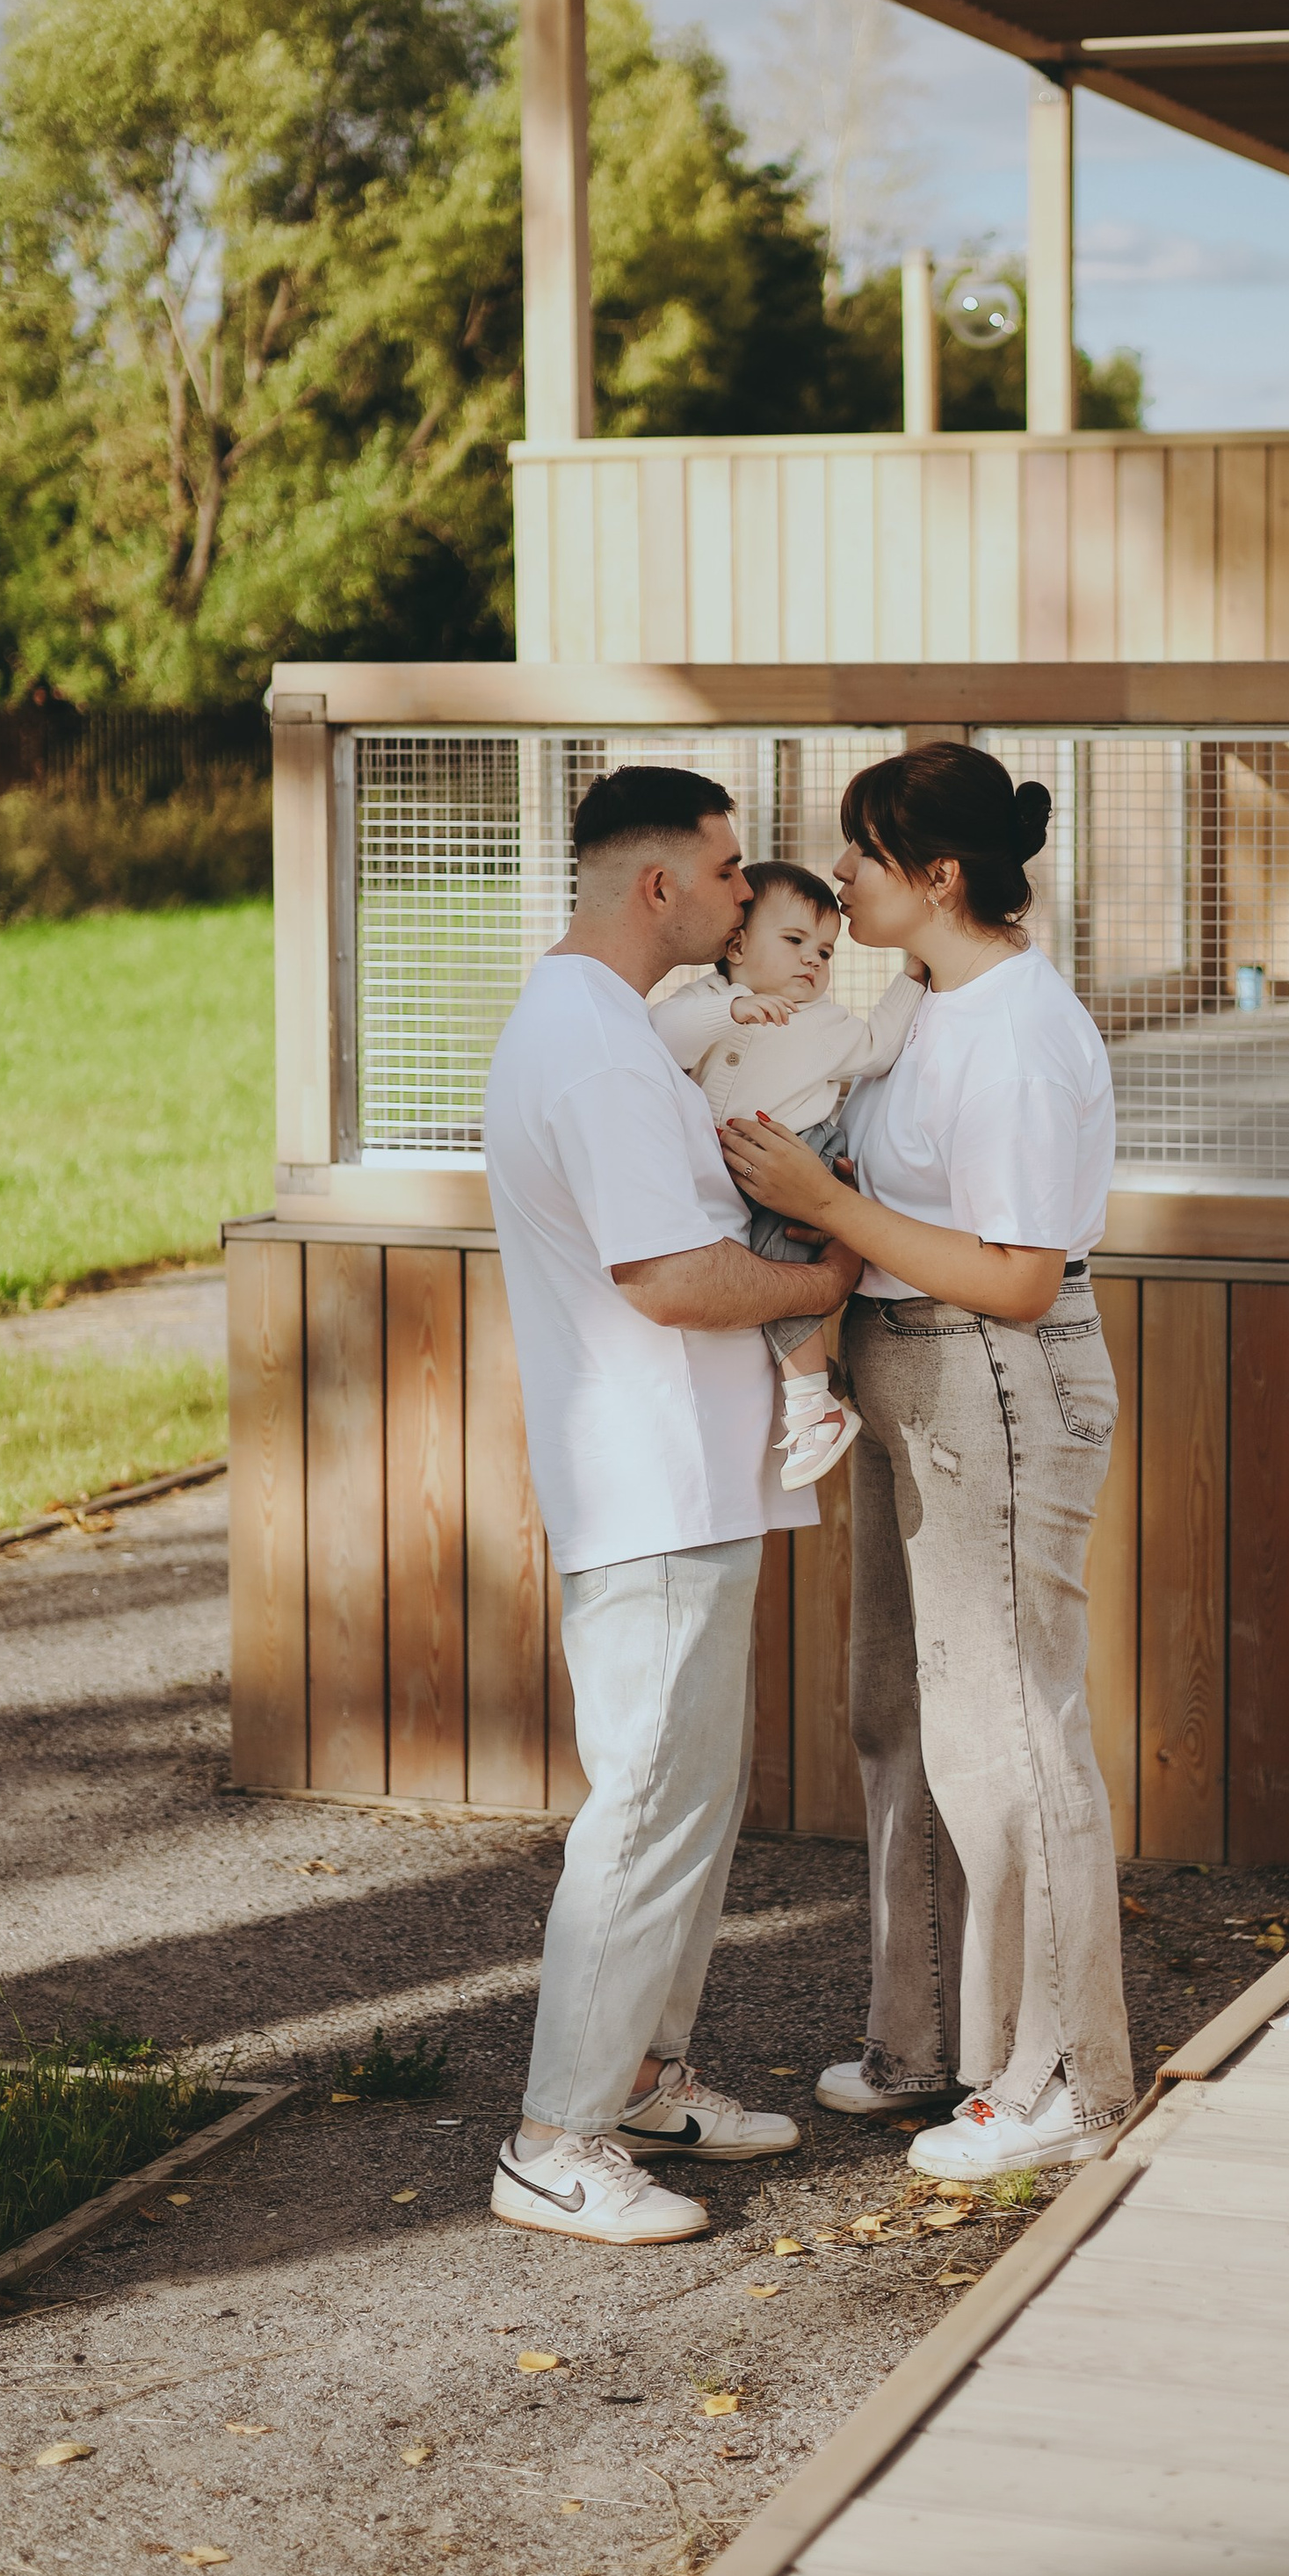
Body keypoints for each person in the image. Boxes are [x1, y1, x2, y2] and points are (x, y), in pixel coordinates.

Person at [717, 742, 1131, 2184]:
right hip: (909, 1367)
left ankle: (1069, 2079)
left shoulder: (1016, 1031)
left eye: (864, 854)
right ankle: (932, 2045)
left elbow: (1020, 1275)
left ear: (939, 875)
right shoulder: (927, 1001)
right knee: (900, 1714)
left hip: (991, 1373)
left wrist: (829, 1205)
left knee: (1008, 1726)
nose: (837, 876)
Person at [481, 765, 860, 2247]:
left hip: (690, 1479)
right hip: (648, 1485)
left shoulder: (618, 1030)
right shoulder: (593, 1050)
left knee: (689, 1803)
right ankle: (554, 2141)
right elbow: (673, 1277)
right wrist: (832, 1265)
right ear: (659, 887)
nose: (744, 892)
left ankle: (640, 2081)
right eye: (725, 871)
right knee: (645, 1807)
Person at [652, 858, 924, 1489]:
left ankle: (812, 1408)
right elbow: (663, 1035)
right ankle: (810, 1375)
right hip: (734, 1173)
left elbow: (880, 1046)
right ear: (737, 946)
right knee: (738, 1275)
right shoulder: (706, 1002)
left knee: (777, 1266)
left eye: (824, 952)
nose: (812, 961)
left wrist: (911, 978)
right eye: (795, 940)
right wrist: (736, 1010)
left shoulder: (822, 1022)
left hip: (799, 1157)